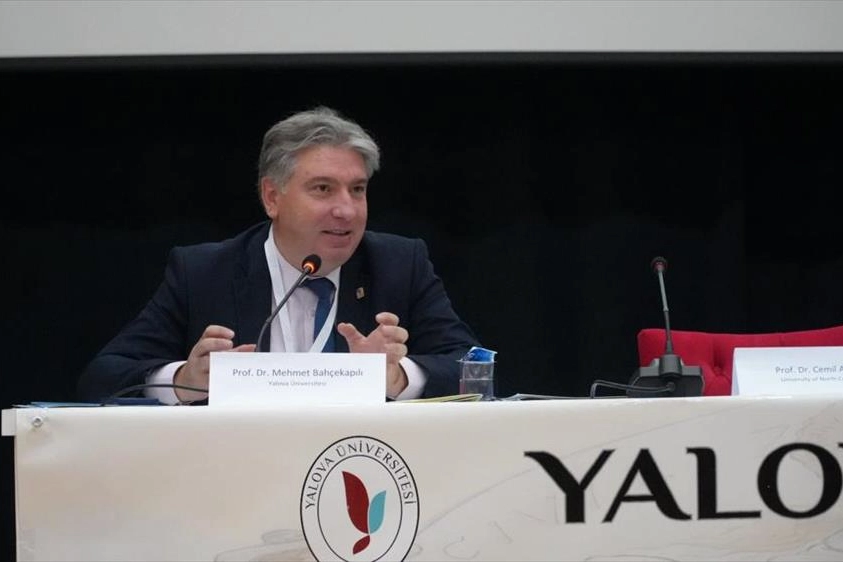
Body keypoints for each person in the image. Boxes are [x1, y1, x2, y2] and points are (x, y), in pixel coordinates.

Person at [78, 106, 480, 404]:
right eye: (323, 189)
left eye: (357, 190)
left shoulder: (398, 264)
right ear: (272, 197)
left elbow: (473, 367)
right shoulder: (204, 273)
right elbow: (102, 377)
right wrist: (186, 379)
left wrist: (398, 378)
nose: (347, 210)